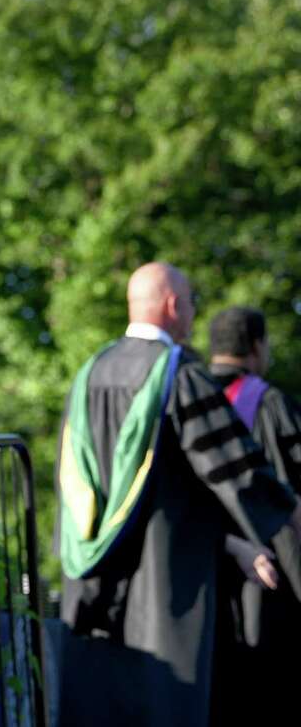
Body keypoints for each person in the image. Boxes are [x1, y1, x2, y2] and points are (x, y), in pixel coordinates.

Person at [54, 262, 301, 727]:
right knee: (165, 704)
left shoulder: (88, 374)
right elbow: (235, 471)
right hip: (165, 577)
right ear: (172, 306)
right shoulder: (177, 375)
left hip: (93, 581)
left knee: (103, 701)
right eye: (189, 303)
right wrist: (286, 512)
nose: (191, 315)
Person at [207, 306, 301, 723]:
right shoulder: (271, 404)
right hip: (274, 578)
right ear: (256, 346)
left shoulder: (193, 396)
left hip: (210, 568)